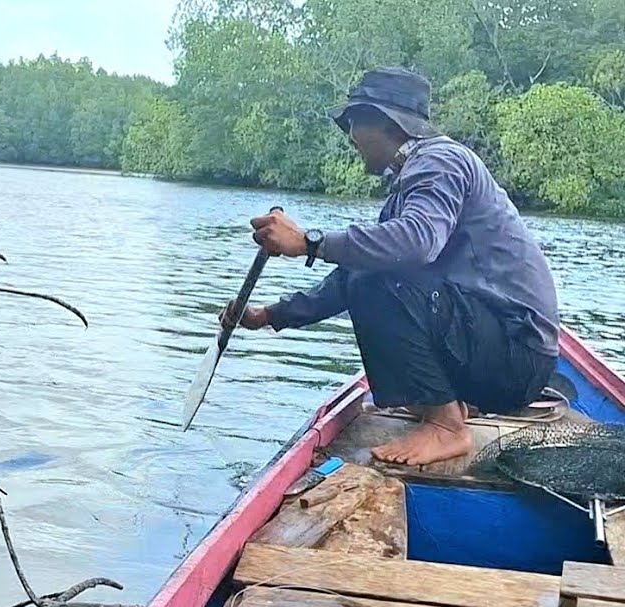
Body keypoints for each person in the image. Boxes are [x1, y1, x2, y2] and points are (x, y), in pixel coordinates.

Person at [223, 67, 560, 466]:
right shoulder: (413, 180)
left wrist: (309, 242)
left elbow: (415, 244)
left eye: (353, 122)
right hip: (498, 352)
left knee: (377, 277)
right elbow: (352, 274)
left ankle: (446, 425)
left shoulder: (440, 161)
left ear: (386, 121)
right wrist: (270, 315)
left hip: (516, 356)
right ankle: (440, 404)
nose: (350, 136)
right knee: (369, 269)